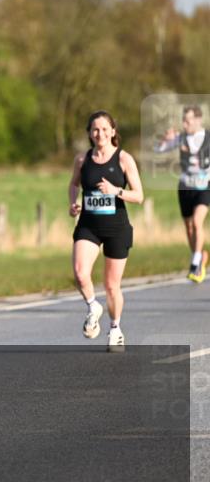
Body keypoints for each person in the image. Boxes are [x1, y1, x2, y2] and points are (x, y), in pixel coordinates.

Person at [69, 111, 144, 353]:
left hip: (116, 229)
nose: (99, 133)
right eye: (95, 129)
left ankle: (115, 328)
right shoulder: (82, 160)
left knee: (112, 286)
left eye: (104, 129)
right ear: (89, 133)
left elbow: (139, 196)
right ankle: (93, 306)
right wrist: (73, 203)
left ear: (113, 131)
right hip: (88, 226)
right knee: (80, 273)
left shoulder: (124, 159)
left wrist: (116, 191)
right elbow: (74, 184)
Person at [154, 105, 209, 283]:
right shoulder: (181, 137)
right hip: (185, 187)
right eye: (183, 121)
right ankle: (199, 256)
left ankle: (195, 263)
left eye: (188, 120)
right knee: (189, 227)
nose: (185, 124)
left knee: (197, 222)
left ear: (198, 120)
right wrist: (165, 139)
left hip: (204, 187)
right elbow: (158, 149)